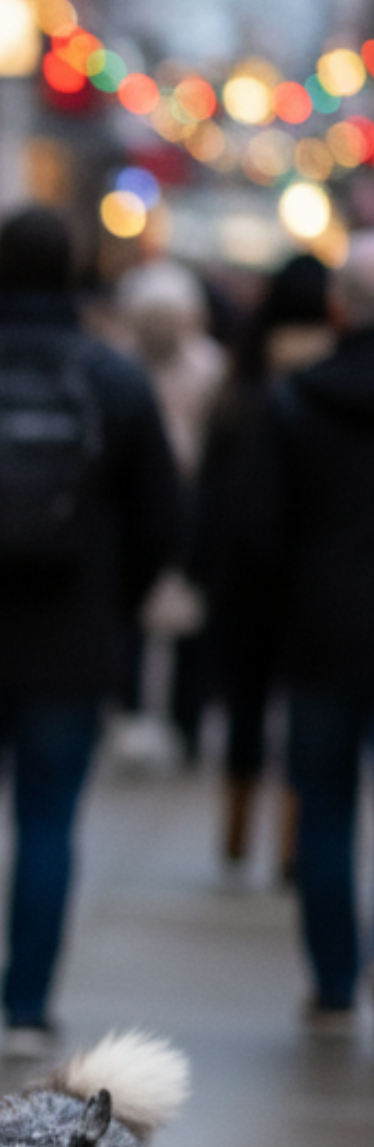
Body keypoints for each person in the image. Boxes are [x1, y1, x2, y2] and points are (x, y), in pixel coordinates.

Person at [0, 207, 180, 1059]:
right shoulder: (115, 381)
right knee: (49, 819)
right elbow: (165, 517)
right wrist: (113, 603)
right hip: (72, 640)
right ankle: (26, 1011)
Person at [238, 231, 374, 1033]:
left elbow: (257, 538)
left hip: (322, 635)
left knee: (322, 807)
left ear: (335, 307)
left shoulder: (294, 401)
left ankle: (333, 979)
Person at [191, 253, 333, 875]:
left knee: (247, 708)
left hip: (246, 571)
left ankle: (237, 830)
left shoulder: (246, 379)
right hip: (325, 579)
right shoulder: (337, 374)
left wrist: (200, 563)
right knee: (308, 716)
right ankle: (291, 843)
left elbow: (214, 478)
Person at [112, 260, 228, 766]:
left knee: (185, 618)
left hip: (186, 500)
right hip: (142, 499)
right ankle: (135, 714)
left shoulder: (207, 366)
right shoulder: (120, 363)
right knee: (136, 614)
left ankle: (181, 719)